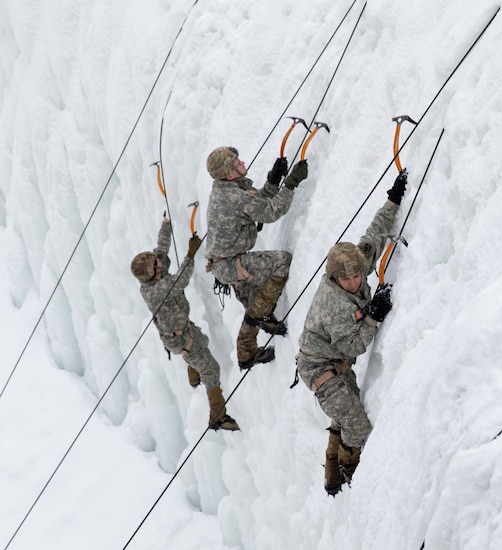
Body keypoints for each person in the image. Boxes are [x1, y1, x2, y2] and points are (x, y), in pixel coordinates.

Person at [296, 169, 408, 496]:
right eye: (347, 281)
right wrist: (373, 316)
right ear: (334, 279)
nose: (355, 282)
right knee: (357, 428)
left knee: (345, 417)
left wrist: (393, 198)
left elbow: (373, 235)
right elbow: (356, 344)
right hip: (321, 369)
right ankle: (349, 468)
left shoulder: (353, 266)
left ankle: (332, 475)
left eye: (358, 276)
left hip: (334, 363)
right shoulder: (334, 306)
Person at [203, 146, 308, 370]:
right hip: (232, 264)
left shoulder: (227, 188)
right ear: (229, 173)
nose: (243, 164)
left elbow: (254, 204)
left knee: (255, 305)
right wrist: (290, 184)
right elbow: (269, 212)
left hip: (226, 263)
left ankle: (251, 345)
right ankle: (256, 331)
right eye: (237, 163)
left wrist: (273, 180)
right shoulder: (231, 196)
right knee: (282, 262)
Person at [131, 215, 239, 431]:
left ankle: (193, 376)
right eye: (156, 262)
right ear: (152, 272)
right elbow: (180, 281)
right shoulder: (154, 291)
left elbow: (161, 249)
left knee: (202, 344)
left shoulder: (155, 272)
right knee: (211, 369)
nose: (159, 260)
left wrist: (166, 223)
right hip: (181, 339)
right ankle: (217, 416)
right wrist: (191, 254)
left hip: (183, 333)